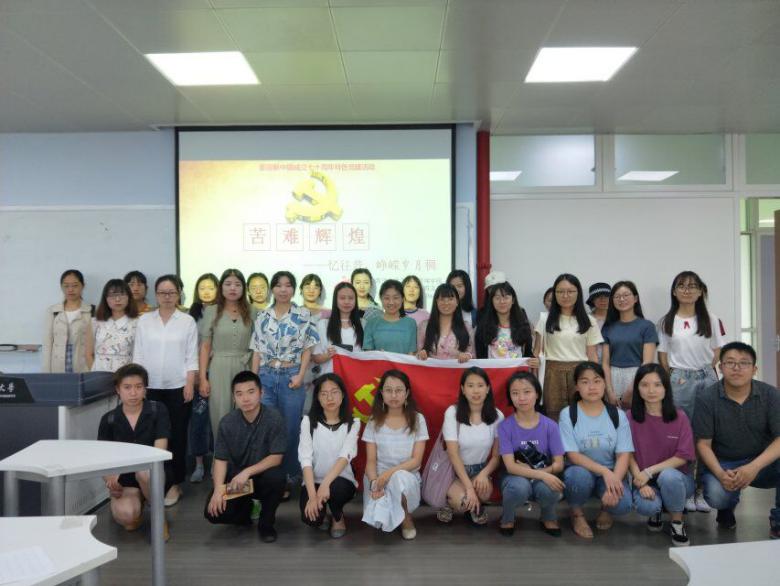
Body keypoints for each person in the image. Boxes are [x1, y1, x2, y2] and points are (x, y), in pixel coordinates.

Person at [694, 342, 780, 540]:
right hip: (725, 465)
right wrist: (720, 474)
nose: (737, 368)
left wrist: (753, 467)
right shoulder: (707, 398)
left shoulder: (771, 395)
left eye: (744, 363)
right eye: (730, 362)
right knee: (717, 496)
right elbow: (703, 445)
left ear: (754, 369)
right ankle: (726, 507)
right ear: (720, 367)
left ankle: (778, 520)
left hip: (762, 463)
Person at [657, 270, 725, 513]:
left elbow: (717, 351)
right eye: (682, 286)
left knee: (706, 434)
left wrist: (705, 370)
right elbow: (663, 355)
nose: (687, 290)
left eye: (693, 286)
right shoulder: (666, 321)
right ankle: (684, 490)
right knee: (681, 435)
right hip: (679, 380)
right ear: (674, 291)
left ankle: (701, 491)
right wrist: (673, 377)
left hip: (706, 378)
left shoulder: (711, 319)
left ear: (701, 291)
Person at [133, 274, 198, 507]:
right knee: (149, 436)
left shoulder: (187, 321)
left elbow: (191, 356)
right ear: (156, 295)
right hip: (150, 388)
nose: (167, 297)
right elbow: (138, 354)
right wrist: (139, 386)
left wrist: (190, 383)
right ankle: (148, 483)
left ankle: (174, 483)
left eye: (172, 292)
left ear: (179, 294)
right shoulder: (145, 320)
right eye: (162, 293)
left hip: (177, 387)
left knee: (177, 437)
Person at [250, 271, 319, 490]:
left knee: (290, 428)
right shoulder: (263, 316)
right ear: (272, 289)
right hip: (266, 376)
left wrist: (301, 375)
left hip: (292, 376)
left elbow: (308, 348)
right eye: (278, 285)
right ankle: (268, 475)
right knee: (266, 427)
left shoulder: (303, 314)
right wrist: (254, 382)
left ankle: (290, 475)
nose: (283, 289)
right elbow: (257, 351)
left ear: (293, 289)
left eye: (288, 285)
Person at [204, 371, 287, 543]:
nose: (246, 399)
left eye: (251, 392)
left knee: (277, 477)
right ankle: (245, 511)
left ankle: (266, 523)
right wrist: (218, 489)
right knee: (213, 513)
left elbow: (276, 457)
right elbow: (220, 459)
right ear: (234, 398)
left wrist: (247, 472)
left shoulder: (274, 418)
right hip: (238, 484)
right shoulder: (227, 422)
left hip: (263, 479)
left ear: (261, 393)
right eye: (239, 394)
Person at [560, 362, 633, 539]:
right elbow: (572, 455)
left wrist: (614, 479)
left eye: (597, 381)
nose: (591, 387)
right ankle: (577, 514)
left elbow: (624, 454)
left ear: (605, 384)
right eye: (585, 382)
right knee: (577, 478)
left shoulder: (618, 415)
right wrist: (604, 472)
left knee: (623, 503)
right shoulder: (568, 414)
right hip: (580, 471)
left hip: (610, 471)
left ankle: (606, 509)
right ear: (577, 386)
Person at [97, 363, 170, 540]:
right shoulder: (109, 419)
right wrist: (110, 481)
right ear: (118, 390)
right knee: (127, 517)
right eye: (127, 387)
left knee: (144, 472)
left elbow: (160, 448)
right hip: (126, 479)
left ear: (145, 389)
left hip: (154, 471)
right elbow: (102, 457)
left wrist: (145, 470)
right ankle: (140, 502)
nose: (133, 393)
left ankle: (159, 517)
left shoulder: (158, 409)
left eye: (138, 387)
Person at [628, 364, 695, 547]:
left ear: (666, 388)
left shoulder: (680, 417)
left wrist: (648, 471)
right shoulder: (629, 417)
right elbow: (628, 455)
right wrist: (641, 481)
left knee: (668, 476)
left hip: (678, 481)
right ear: (637, 388)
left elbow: (683, 456)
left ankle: (677, 522)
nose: (651, 391)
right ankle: (656, 510)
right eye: (645, 385)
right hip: (645, 481)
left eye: (657, 385)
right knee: (647, 506)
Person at [198, 269, 254, 481]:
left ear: (243, 288)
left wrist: (255, 377)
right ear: (221, 287)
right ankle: (220, 471)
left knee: (246, 417)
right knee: (220, 418)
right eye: (228, 284)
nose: (233, 288)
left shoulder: (253, 311)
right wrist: (202, 377)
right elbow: (205, 346)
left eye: (237, 284)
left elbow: (257, 347)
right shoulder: (212, 311)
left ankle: (244, 470)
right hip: (219, 367)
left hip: (245, 367)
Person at [362, 369, 429, 539]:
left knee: (399, 478)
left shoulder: (418, 419)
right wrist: (374, 483)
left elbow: (416, 460)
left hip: (407, 478)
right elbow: (371, 461)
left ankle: (406, 518)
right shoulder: (373, 421)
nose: (393, 395)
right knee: (380, 523)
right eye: (388, 390)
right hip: (378, 479)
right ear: (381, 393)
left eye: (399, 390)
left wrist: (389, 474)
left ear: (407, 393)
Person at [498, 371, 565, 537]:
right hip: (514, 477)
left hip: (542, 475)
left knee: (552, 488)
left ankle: (548, 516)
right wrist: (543, 474)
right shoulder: (505, 426)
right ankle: (507, 517)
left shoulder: (550, 425)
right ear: (510, 397)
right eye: (515, 393)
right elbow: (511, 467)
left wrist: (541, 474)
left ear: (537, 394)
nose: (521, 398)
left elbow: (559, 464)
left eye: (527, 392)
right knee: (518, 488)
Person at [437, 367, 503, 525]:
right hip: (454, 470)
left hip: (479, 469)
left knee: (485, 493)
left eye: (480, 385)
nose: (476, 391)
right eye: (470, 385)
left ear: (488, 389)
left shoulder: (498, 416)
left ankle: (474, 503)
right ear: (463, 389)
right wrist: (469, 488)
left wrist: (483, 474)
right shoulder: (452, 413)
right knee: (461, 501)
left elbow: (496, 456)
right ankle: (450, 502)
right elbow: (453, 454)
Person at [534, 274, 603, 422]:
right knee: (553, 417)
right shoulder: (545, 319)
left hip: (580, 374)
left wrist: (596, 380)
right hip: (551, 375)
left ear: (578, 293)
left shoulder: (589, 321)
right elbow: (537, 352)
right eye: (560, 291)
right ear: (555, 294)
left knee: (580, 416)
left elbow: (592, 355)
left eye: (570, 291)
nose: (565, 296)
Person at [298, 373, 360, 538]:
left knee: (336, 489)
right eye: (324, 394)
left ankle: (337, 516)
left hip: (341, 481)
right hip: (314, 481)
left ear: (343, 394)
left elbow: (345, 456)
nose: (329, 398)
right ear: (317, 398)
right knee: (311, 519)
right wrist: (313, 496)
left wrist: (325, 485)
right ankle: (323, 511)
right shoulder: (307, 422)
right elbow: (305, 459)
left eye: (334, 392)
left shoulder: (353, 423)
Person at [601, 281, 658, 407]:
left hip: (639, 376)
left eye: (626, 295)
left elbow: (647, 362)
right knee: (614, 416)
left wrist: (631, 390)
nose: (621, 299)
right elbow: (605, 363)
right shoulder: (608, 327)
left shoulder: (647, 326)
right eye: (617, 296)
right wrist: (609, 391)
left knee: (637, 415)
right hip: (612, 377)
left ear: (635, 298)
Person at [188, 272, 219, 483]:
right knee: (198, 420)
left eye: (211, 287)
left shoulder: (224, 312)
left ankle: (219, 462)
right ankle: (199, 464)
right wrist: (197, 374)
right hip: (200, 373)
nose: (206, 292)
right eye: (202, 288)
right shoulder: (190, 315)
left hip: (220, 370)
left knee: (221, 419)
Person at [42, 269, 94, 373]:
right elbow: (47, 345)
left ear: (83, 286)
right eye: (66, 286)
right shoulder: (53, 312)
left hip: (83, 366)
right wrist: (46, 374)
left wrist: (94, 371)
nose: (70, 289)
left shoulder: (91, 311)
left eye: (75, 285)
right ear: (61, 287)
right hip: (57, 366)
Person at [475, 281, 537, 365]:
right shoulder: (483, 326)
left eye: (506, 297)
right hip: (492, 372)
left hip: (518, 372)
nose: (502, 301)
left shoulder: (523, 325)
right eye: (497, 298)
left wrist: (534, 361)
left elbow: (528, 353)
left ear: (513, 300)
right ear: (492, 301)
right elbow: (480, 358)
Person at [85, 279, 139, 372]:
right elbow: (88, 354)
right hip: (99, 374)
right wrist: (94, 373)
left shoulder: (137, 323)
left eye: (122, 294)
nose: (117, 299)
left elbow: (138, 354)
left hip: (126, 375)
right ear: (105, 298)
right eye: (112, 295)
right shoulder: (95, 322)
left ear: (129, 297)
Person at [312, 282, 364, 375]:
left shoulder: (363, 324)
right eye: (342, 298)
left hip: (355, 377)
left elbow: (367, 355)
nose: (347, 302)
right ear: (335, 300)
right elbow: (316, 358)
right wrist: (328, 355)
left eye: (351, 298)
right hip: (330, 379)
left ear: (355, 300)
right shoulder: (323, 324)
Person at [417, 284, 474, 362]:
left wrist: (466, 356)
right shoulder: (424, 326)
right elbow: (418, 353)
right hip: (432, 369)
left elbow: (472, 354)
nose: (446, 303)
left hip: (458, 369)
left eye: (450, 299)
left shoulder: (466, 327)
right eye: (442, 299)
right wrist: (421, 354)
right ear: (436, 302)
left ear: (457, 302)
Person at [362, 280, 417, 354]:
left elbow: (411, 354)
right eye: (387, 298)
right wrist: (378, 355)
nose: (391, 302)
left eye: (396, 298)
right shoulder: (371, 323)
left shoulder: (410, 323)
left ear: (403, 299)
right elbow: (368, 354)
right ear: (381, 299)